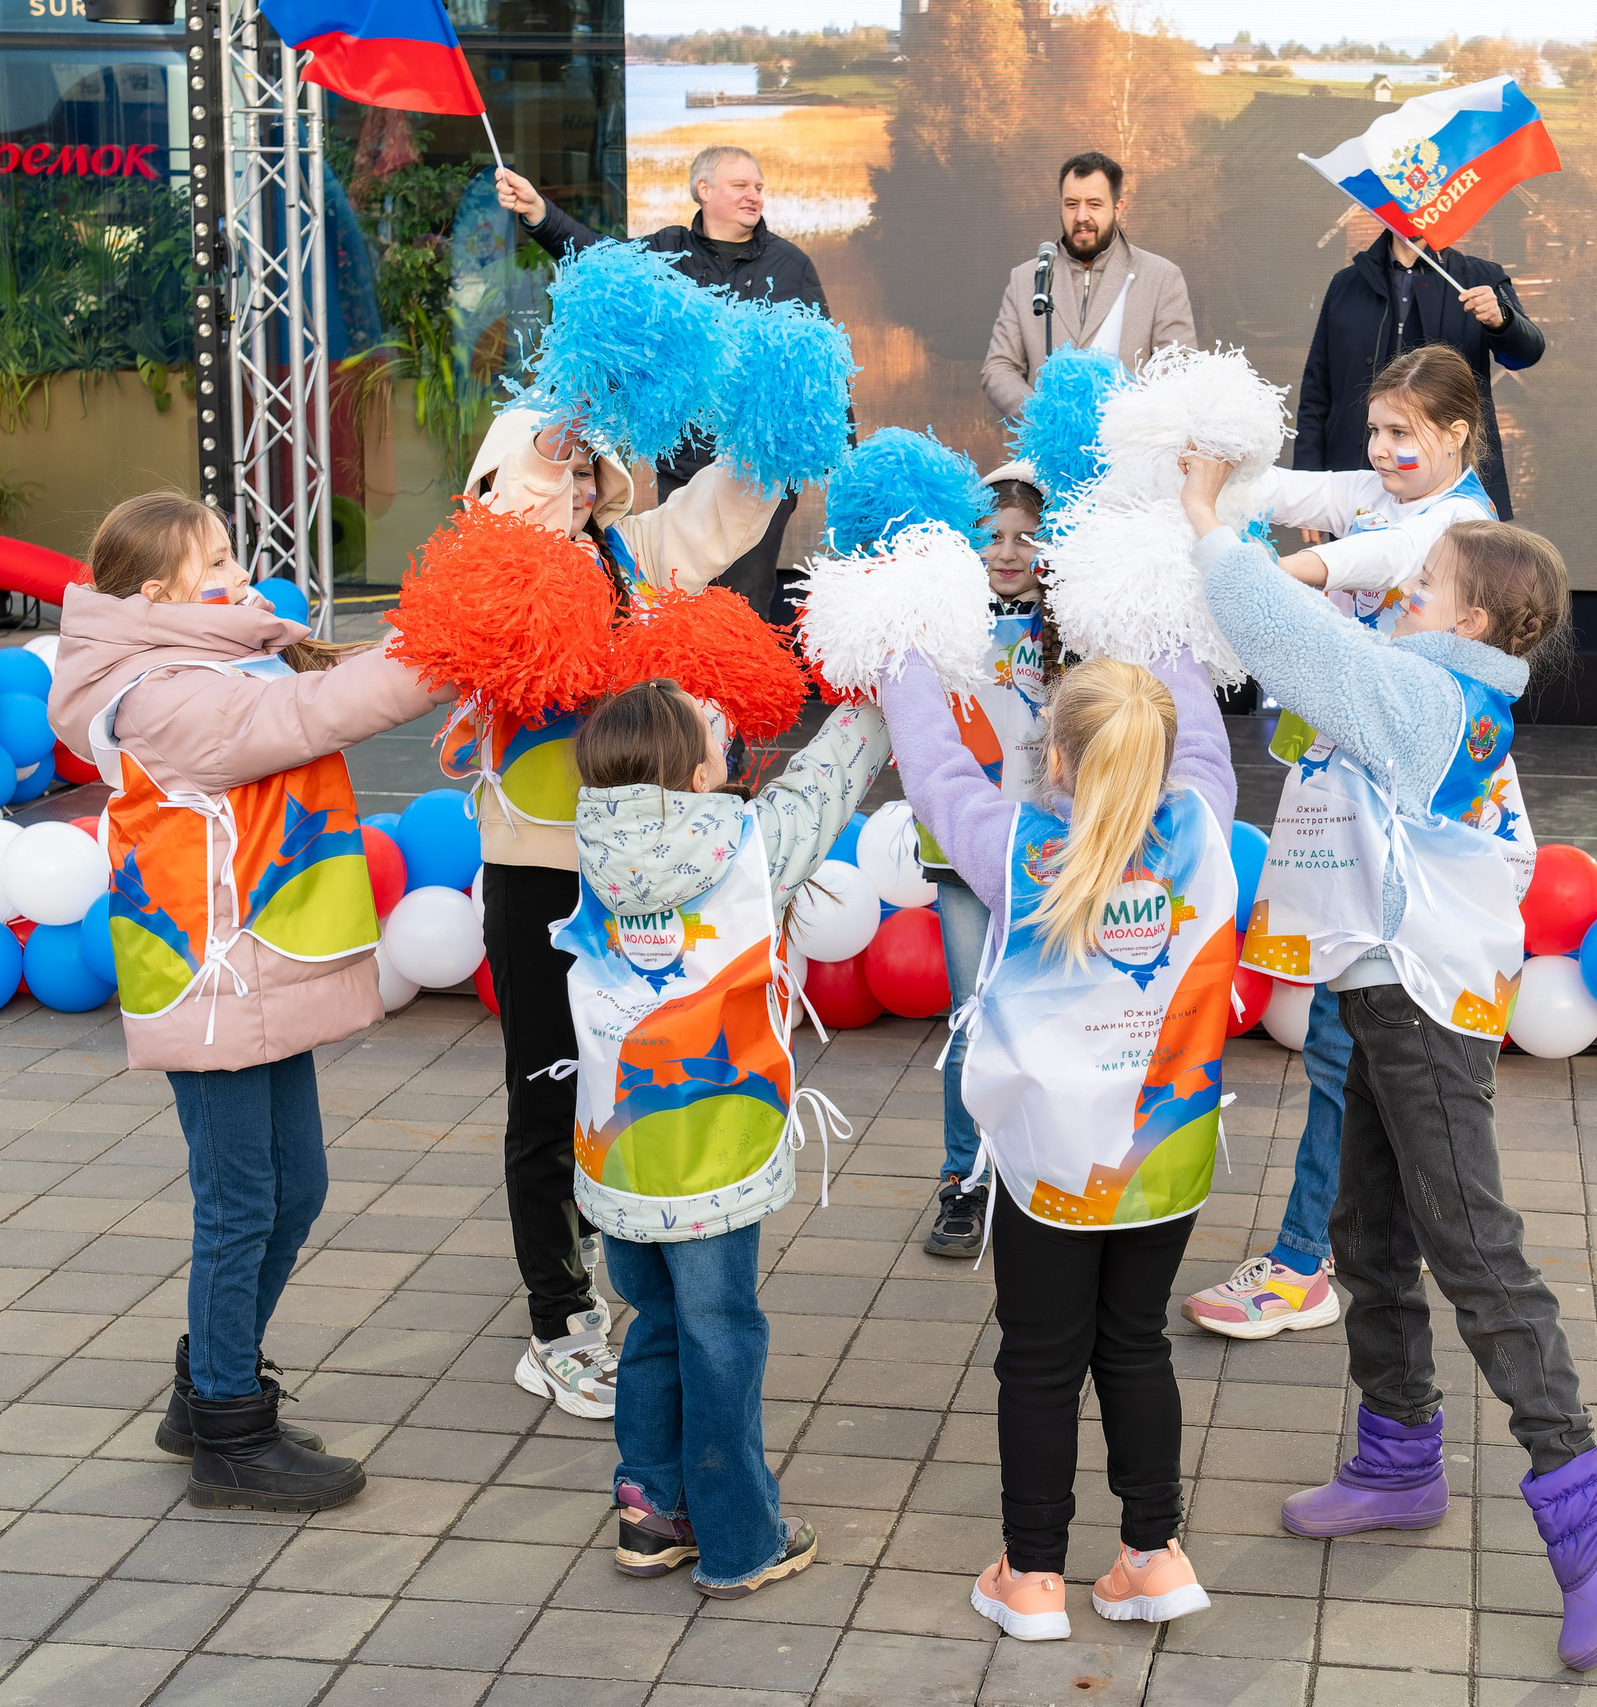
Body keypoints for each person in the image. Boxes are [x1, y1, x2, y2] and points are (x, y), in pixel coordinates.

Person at [1180, 469, 1597, 1676]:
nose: (1403, 587)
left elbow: (1282, 631)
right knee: (1369, 1231)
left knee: (1472, 1247)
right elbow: (1311, 659)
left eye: (1424, 582)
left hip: (1420, 998)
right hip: (1374, 982)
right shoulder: (1416, 677)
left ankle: (1589, 1507)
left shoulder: (1425, 698)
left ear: (1474, 621)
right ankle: (1396, 1458)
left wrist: (1212, 529)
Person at [49, 493, 445, 1513]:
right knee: (239, 1206)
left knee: (294, 1189)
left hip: (250, 968)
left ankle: (206, 1390)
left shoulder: (218, 654)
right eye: (214, 558)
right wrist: (457, 649)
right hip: (208, 980)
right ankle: (229, 1431)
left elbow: (317, 679)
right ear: (154, 593)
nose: (236, 568)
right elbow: (307, 715)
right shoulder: (154, 693)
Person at [1182, 345, 1536, 1341]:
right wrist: (1203, 447)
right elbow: (1291, 488)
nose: (1381, 452)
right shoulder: (1380, 494)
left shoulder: (1460, 527)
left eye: (1403, 434)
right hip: (1356, 803)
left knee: (1353, 1048)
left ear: (1457, 435)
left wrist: (1251, 565)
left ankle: (1314, 1261)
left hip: (1403, 829)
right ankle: (1349, 1255)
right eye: (1374, 431)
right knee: (1350, 1052)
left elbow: (1353, 563)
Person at [883, 650, 1236, 1642]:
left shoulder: (1011, 844)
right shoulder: (1204, 821)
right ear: (1163, 754)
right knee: (1136, 1342)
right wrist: (1159, 618)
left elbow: (934, 766)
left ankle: (1033, 1575)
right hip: (1165, 1153)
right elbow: (1202, 736)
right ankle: (1153, 1556)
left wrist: (901, 647)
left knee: (1037, 1363)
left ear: (1057, 758)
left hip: (1048, 1164)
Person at [457, 410, 784, 1421]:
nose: (581, 485)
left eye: (591, 467)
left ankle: (613, 1255)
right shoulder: (495, 579)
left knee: (623, 1076)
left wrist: (775, 424)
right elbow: (506, 514)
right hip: (536, 865)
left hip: (632, 877)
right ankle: (559, 1325)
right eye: (559, 470)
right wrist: (545, 446)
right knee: (546, 1096)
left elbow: (718, 514)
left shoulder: (628, 562)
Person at [561, 678, 887, 1598]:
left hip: (618, 1149)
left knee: (657, 1326)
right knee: (722, 1337)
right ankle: (742, 1536)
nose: (725, 718)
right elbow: (833, 770)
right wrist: (890, 664)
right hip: (714, 1149)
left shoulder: (593, 835)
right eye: (712, 722)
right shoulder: (747, 841)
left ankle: (650, 1511)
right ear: (698, 768)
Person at [495, 147, 826, 626]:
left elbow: (816, 370)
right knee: (680, 591)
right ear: (704, 190)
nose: (754, 196)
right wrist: (539, 214)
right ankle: (681, 701)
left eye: (758, 187)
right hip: (687, 460)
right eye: (741, 186)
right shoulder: (668, 249)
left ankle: (737, 696)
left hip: (756, 464)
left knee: (742, 601)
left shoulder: (790, 263)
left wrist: (837, 457)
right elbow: (601, 262)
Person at [917, 464, 1058, 1258]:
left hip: (1049, 849)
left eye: (1024, 538)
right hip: (965, 852)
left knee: (1043, 1012)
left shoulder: (1070, 623)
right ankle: (962, 1182)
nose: (1007, 553)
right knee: (972, 1018)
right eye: (991, 537)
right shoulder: (946, 619)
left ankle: (1039, 1169)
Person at [1292, 228, 1543, 521]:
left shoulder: (1480, 278)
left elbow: (1526, 353)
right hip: (1357, 477)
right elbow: (1316, 391)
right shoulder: (1345, 285)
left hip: (1451, 485)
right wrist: (1305, 487)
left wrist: (1502, 320)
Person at [981, 151, 1197, 420]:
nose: (1081, 216)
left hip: (1130, 452)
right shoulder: (1026, 278)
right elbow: (998, 368)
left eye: (1094, 204)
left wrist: (1131, 422)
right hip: (1047, 453)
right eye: (1072, 204)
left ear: (1118, 208)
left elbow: (1179, 371)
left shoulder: (1161, 277)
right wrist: (1040, 417)